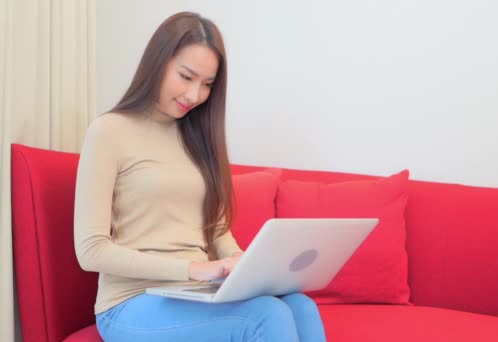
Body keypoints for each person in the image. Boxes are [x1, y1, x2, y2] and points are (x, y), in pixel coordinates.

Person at [74, 11, 326, 341]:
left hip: (193, 293)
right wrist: (191, 269)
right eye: (186, 76)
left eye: (207, 84)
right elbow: (90, 250)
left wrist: (239, 262)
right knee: (266, 315)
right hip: (131, 303)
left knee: (300, 305)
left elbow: (216, 229)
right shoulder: (109, 132)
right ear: (159, 62)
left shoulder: (197, 137)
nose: (194, 95)